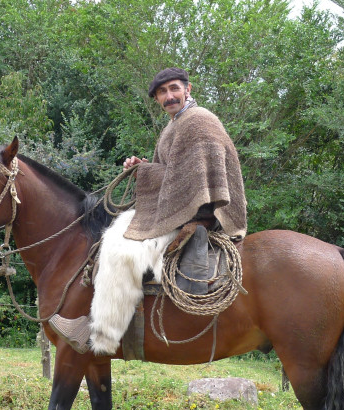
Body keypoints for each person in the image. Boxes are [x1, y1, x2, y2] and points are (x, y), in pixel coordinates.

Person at [49, 67, 247, 355]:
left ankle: (101, 338)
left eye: (174, 89)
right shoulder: (175, 125)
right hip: (179, 207)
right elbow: (173, 173)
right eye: (162, 92)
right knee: (113, 233)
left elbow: (190, 179)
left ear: (188, 89)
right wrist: (143, 167)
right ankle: (97, 321)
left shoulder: (198, 121)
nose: (169, 96)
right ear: (156, 98)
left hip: (197, 212)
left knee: (121, 251)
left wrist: (146, 173)